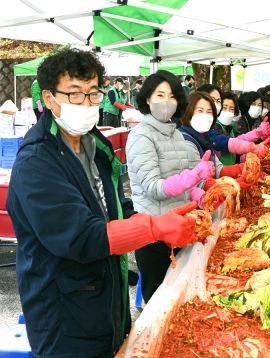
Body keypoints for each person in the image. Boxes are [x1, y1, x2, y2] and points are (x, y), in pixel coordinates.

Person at [6, 48, 200, 358]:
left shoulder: (96, 146)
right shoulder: (37, 163)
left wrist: (160, 217)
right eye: (75, 94)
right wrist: (154, 227)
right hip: (63, 315)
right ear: (49, 97)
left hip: (107, 298)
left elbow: (113, 210)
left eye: (93, 94)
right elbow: (82, 236)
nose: (86, 103)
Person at [126, 70, 217, 302]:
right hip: (154, 232)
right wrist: (193, 175)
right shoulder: (141, 137)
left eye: (172, 96)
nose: (167, 102)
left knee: (181, 298)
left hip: (180, 227)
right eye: (159, 95)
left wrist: (199, 195)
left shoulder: (176, 135)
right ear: (147, 99)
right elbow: (153, 187)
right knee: (159, 300)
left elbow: (182, 181)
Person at [179, 92, 260, 194]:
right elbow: (196, 184)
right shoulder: (187, 142)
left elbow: (217, 168)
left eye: (209, 112)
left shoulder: (204, 137)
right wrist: (230, 184)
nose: (206, 116)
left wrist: (243, 169)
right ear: (188, 112)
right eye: (200, 111)